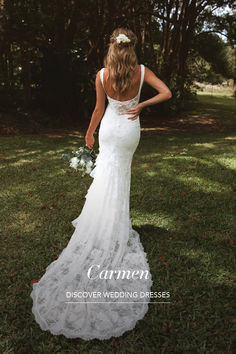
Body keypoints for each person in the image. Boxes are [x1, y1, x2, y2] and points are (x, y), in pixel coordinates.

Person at [30, 27, 172, 341]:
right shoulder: (142, 71)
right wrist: (141, 106)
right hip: (130, 130)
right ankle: (116, 222)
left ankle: (102, 221)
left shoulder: (102, 74)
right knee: (120, 178)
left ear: (111, 47)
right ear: (132, 48)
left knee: (106, 177)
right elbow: (167, 93)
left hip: (109, 129)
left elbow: (98, 108)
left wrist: (90, 133)